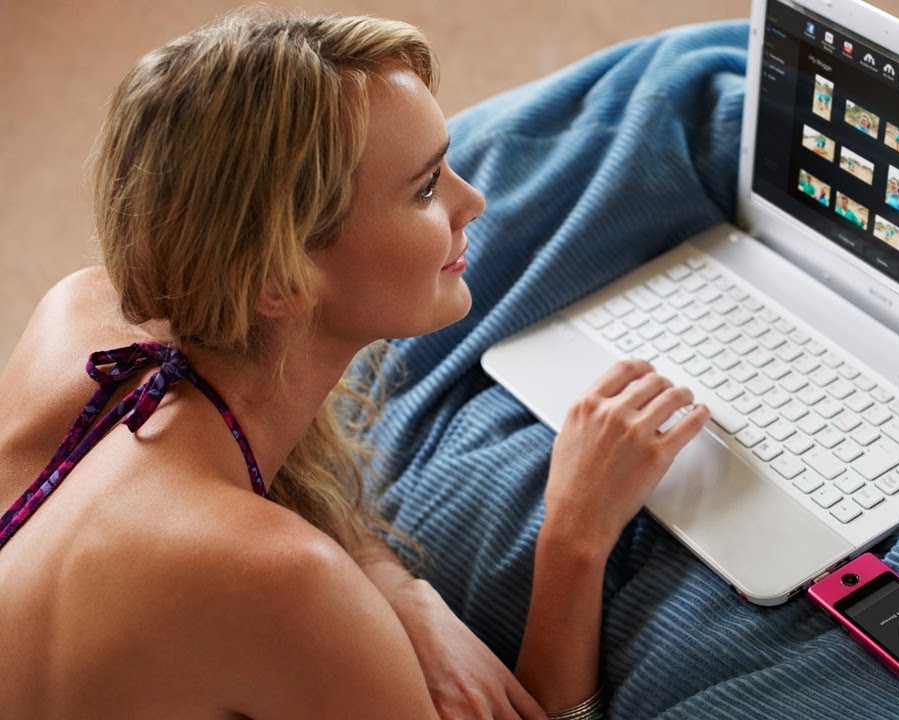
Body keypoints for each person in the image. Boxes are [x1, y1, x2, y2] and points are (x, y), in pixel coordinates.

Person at [0, 10, 709, 718]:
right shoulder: (287, 586)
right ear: (280, 281)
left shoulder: (82, 312)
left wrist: (399, 592)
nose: (472, 200)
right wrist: (575, 540)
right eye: (425, 188)